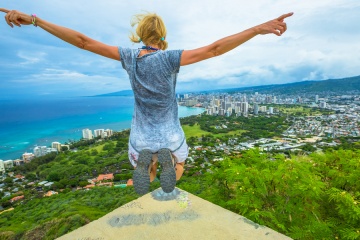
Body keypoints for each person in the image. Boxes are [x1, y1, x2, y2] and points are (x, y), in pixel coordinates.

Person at [0, 8, 293, 195]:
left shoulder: (129, 57)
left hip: (141, 134)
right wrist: (257, 29)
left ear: (138, 36)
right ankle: (169, 168)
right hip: (170, 133)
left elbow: (83, 41)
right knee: (179, 164)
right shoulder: (170, 57)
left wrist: (36, 20)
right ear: (162, 37)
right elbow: (215, 49)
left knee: (145, 165)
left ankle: (150, 169)